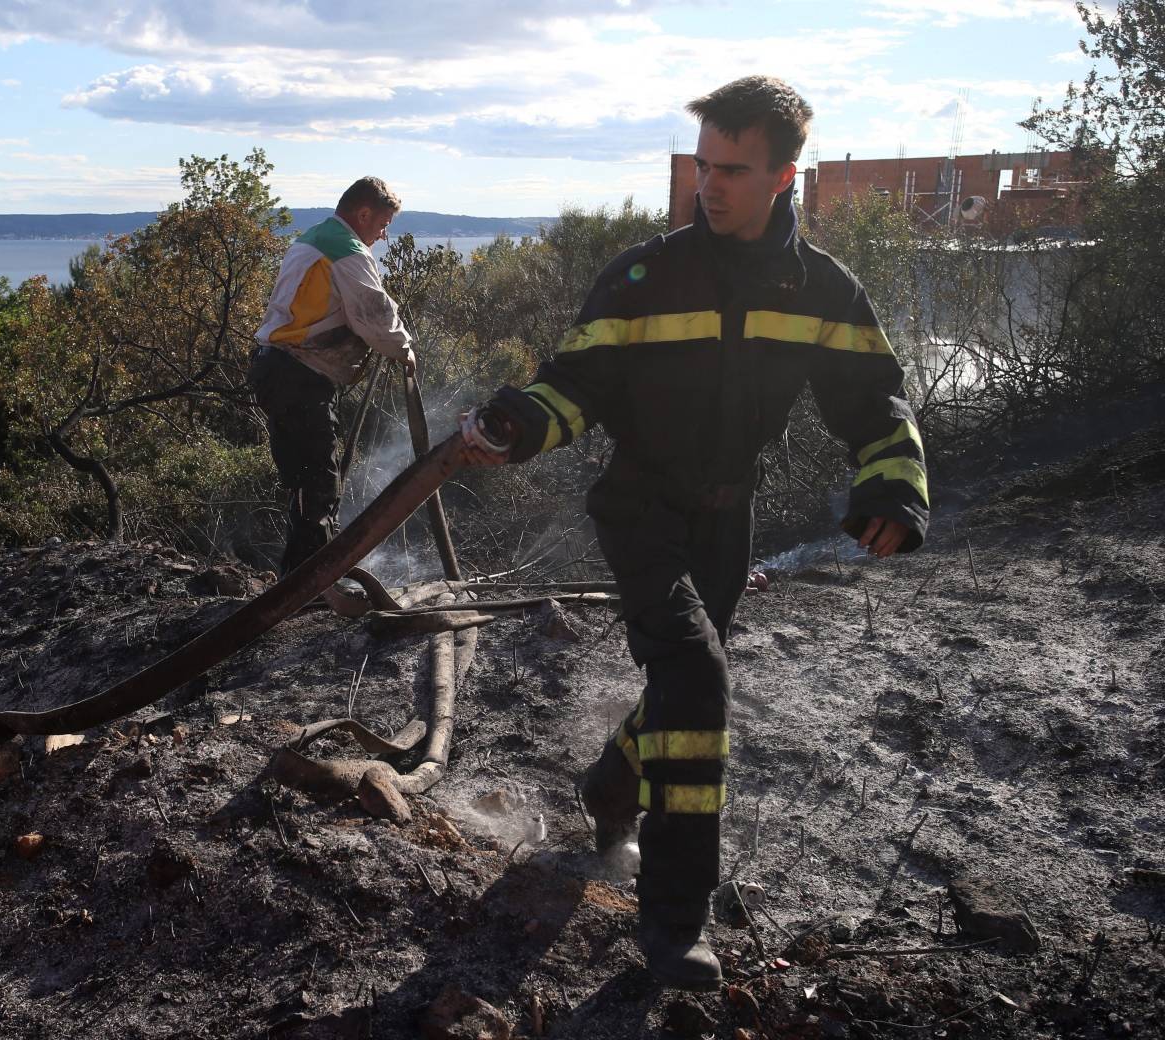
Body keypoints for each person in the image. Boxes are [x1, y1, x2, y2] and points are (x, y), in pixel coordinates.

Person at [459, 76, 929, 990]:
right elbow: (576, 382)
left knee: (682, 687)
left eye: (733, 170)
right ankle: (676, 920)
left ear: (785, 175)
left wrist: (893, 489)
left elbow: (875, 403)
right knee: (698, 677)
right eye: (703, 166)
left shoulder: (825, 290)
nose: (708, 187)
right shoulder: (645, 273)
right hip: (640, 508)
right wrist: (520, 423)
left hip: (728, 519)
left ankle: (610, 785)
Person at [250, 176, 417, 575]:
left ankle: (299, 581)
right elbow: (374, 315)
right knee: (319, 483)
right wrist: (405, 351)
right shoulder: (348, 250)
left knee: (308, 483)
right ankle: (312, 586)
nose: (383, 233)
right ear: (362, 213)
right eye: (383, 223)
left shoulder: (315, 237)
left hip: (276, 368)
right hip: (298, 374)